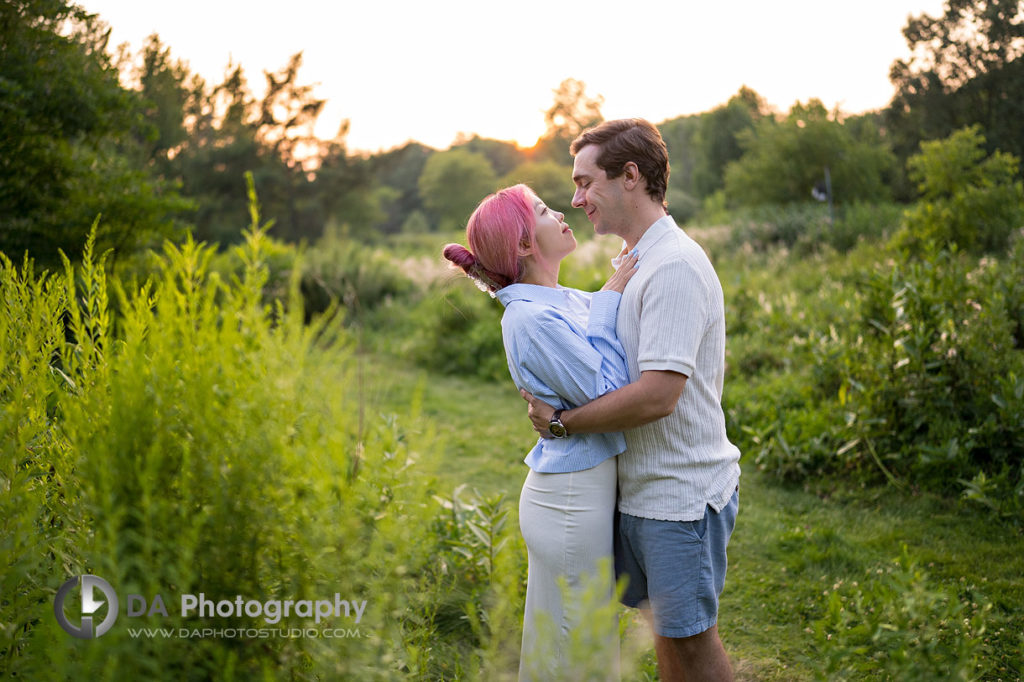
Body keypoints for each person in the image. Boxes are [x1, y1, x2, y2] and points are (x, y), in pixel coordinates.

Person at [520, 119, 742, 682]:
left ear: (631, 176)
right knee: (665, 637)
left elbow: (658, 396)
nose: (575, 200)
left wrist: (563, 424)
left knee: (691, 644)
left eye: (585, 182)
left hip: (680, 495)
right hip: (641, 491)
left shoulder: (672, 266)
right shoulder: (635, 261)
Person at [442, 184, 639, 681]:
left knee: (574, 642)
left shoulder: (561, 300)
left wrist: (604, 300)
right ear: (526, 245)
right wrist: (610, 299)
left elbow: (600, 349)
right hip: (570, 500)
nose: (562, 213)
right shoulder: (530, 318)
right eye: (545, 210)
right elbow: (615, 390)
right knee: (579, 647)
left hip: (584, 490)